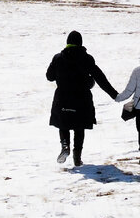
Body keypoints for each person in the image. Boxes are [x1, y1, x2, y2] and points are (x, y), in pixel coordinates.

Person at [46, 30, 118, 166]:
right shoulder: (87, 59)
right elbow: (100, 78)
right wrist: (114, 94)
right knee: (79, 128)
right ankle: (77, 158)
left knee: (64, 124)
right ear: (80, 43)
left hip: (62, 99)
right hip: (81, 101)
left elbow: (49, 76)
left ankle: (65, 145)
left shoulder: (58, 58)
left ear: (67, 43)